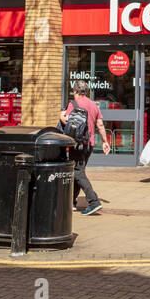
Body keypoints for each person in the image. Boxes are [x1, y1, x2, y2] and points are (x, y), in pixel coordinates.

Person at [59, 80, 112, 215]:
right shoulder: (94, 105)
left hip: (76, 144)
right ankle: (72, 202)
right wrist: (105, 141)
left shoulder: (73, 104)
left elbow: (66, 120)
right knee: (79, 171)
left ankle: (93, 201)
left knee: (77, 172)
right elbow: (100, 124)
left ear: (75, 91)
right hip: (89, 144)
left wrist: (61, 115)